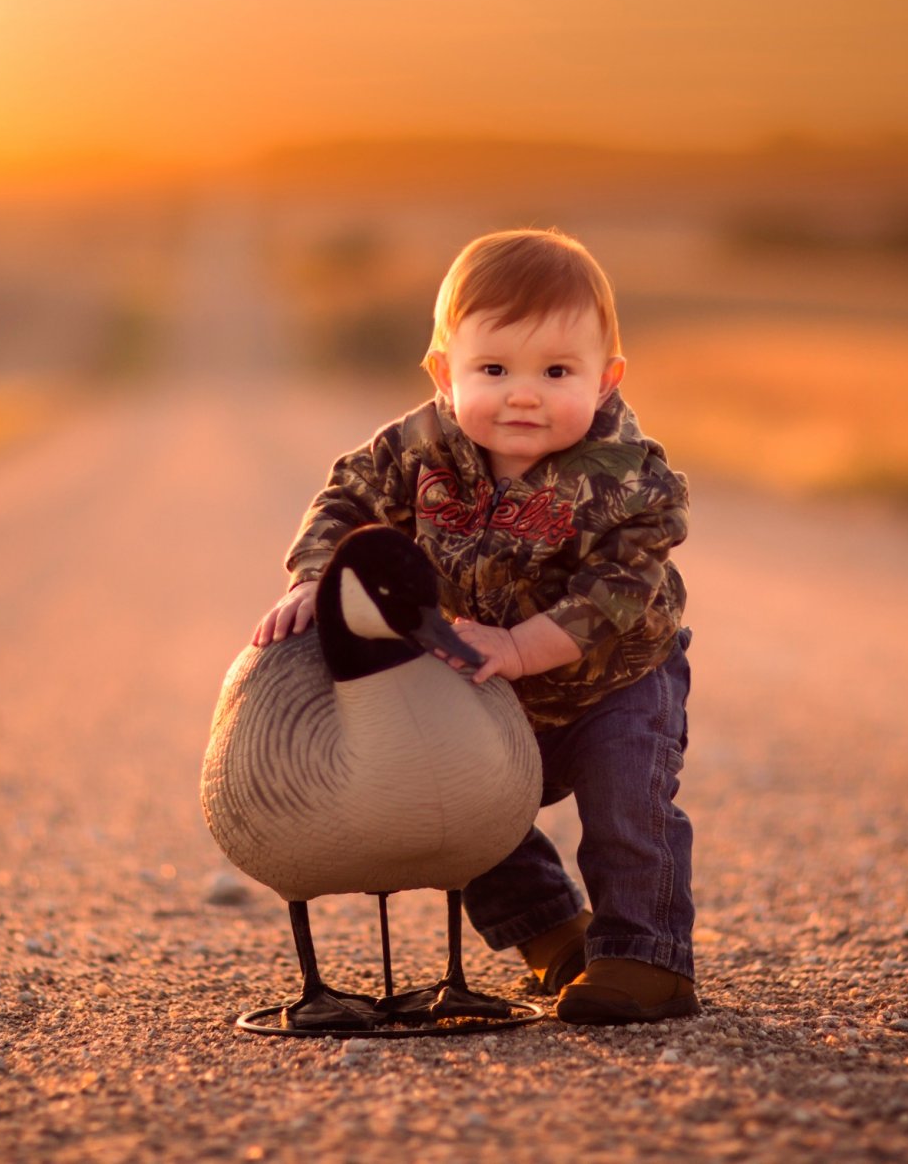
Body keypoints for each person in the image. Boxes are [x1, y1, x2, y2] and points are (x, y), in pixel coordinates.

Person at [251, 228, 698, 1025]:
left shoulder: (625, 474)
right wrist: (315, 575)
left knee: (626, 805)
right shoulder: (420, 447)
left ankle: (646, 955)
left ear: (606, 380)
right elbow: (347, 500)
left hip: (614, 680)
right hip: (486, 672)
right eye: (493, 369)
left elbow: (622, 586)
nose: (523, 394)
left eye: (557, 371)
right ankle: (554, 933)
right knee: (459, 805)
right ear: (444, 373)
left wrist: (527, 646)